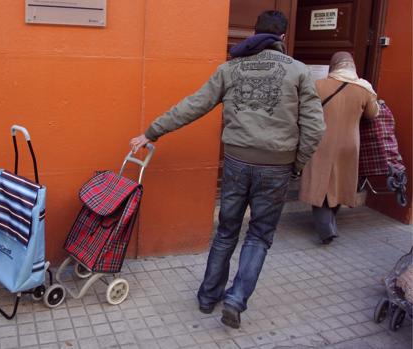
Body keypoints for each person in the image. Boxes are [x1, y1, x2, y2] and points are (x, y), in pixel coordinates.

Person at [129, 10, 325, 329]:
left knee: (226, 231)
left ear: (254, 32)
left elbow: (194, 104)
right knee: (259, 236)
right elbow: (315, 128)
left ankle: (208, 297)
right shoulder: (300, 72)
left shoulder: (230, 68)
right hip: (276, 166)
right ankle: (235, 300)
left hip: (236, 162)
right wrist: (296, 164)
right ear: (283, 38)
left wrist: (152, 131)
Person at [299, 51, 379, 245]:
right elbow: (372, 114)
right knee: (340, 183)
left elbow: (304, 110)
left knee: (318, 183)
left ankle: (326, 227)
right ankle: (329, 222)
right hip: (349, 144)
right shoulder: (363, 88)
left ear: (333, 65)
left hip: (321, 141)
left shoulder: (318, 85)